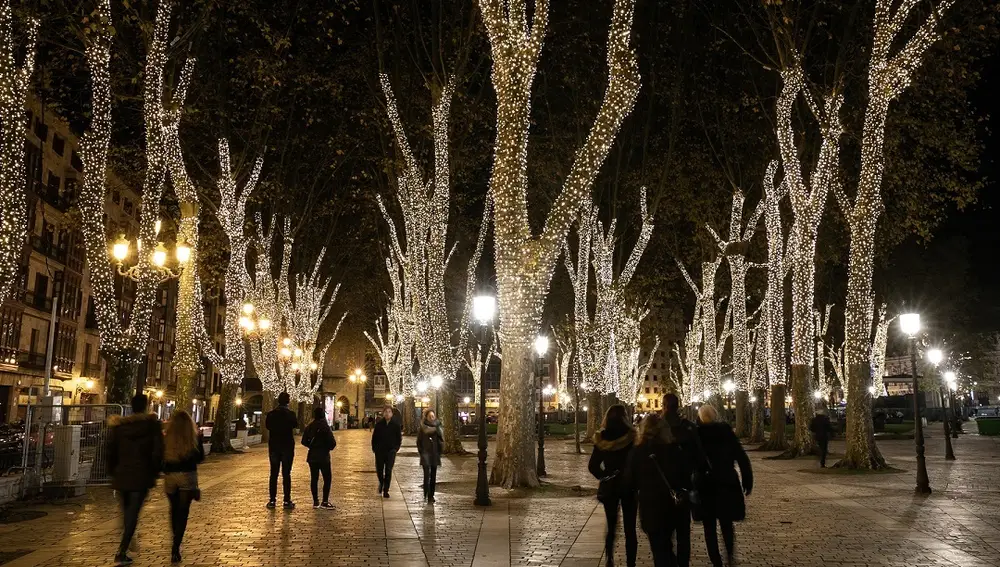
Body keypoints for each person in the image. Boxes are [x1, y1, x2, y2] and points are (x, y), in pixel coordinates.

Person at [627, 393, 701, 567]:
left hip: (652, 505)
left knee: (660, 548)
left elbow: (629, 480)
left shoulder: (638, 452)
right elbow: (690, 467)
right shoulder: (676, 446)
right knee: (682, 538)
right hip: (677, 502)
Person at [107, 394, 163, 565]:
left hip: (122, 475)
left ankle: (127, 540)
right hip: (141, 475)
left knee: (126, 513)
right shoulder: (151, 426)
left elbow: (110, 452)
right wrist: (154, 473)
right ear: (146, 406)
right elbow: (158, 451)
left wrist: (113, 472)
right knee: (132, 514)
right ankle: (122, 550)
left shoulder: (119, 427)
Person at [696, 404, 753, 567]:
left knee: (709, 527)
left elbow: (690, 461)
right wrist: (747, 480)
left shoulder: (697, 434)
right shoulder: (726, 432)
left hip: (705, 485)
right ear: (715, 415)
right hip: (726, 481)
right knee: (726, 524)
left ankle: (716, 562)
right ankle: (729, 556)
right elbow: (741, 456)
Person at [588, 405, 637, 567]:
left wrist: (604, 476)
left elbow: (592, 466)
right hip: (629, 485)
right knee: (630, 528)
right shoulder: (632, 437)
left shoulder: (602, 438)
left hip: (610, 486)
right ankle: (631, 562)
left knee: (611, 525)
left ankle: (609, 558)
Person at [162, 410, 204, 564]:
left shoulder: (167, 439)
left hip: (170, 477)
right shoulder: (194, 438)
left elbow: (160, 458)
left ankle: (174, 537)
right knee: (183, 512)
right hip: (187, 476)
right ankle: (176, 545)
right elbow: (200, 458)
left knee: (173, 510)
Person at [265, 392, 299, 509]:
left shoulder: (271, 414)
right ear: (288, 401)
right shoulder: (291, 414)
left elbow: (268, 426)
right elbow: (295, 425)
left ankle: (272, 500)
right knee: (286, 474)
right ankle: (286, 500)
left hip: (274, 447)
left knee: (273, 474)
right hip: (287, 447)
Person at [302, 406, 337, 509]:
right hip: (323, 456)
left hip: (312, 456)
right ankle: (325, 501)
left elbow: (304, 441)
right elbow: (332, 443)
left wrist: (311, 446)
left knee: (314, 478)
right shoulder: (325, 427)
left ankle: (315, 501)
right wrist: (326, 447)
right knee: (327, 478)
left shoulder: (310, 426)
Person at [371, 406, 402, 498]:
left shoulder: (396, 425)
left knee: (388, 470)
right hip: (380, 451)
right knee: (379, 470)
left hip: (391, 451)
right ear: (383, 413)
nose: (387, 413)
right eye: (386, 412)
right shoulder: (379, 424)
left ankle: (386, 490)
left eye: (389, 412)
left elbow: (399, 438)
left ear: (392, 414)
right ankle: (381, 482)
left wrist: (395, 448)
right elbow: (374, 438)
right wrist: (375, 448)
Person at [417, 410, 444, 502]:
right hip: (425, 453)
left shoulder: (438, 427)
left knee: (433, 476)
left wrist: (440, 451)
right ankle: (426, 492)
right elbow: (419, 441)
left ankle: (431, 495)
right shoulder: (422, 427)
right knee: (426, 475)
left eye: (433, 416)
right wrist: (421, 451)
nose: (432, 418)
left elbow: (441, 440)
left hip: (435, 453)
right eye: (430, 416)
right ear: (426, 417)